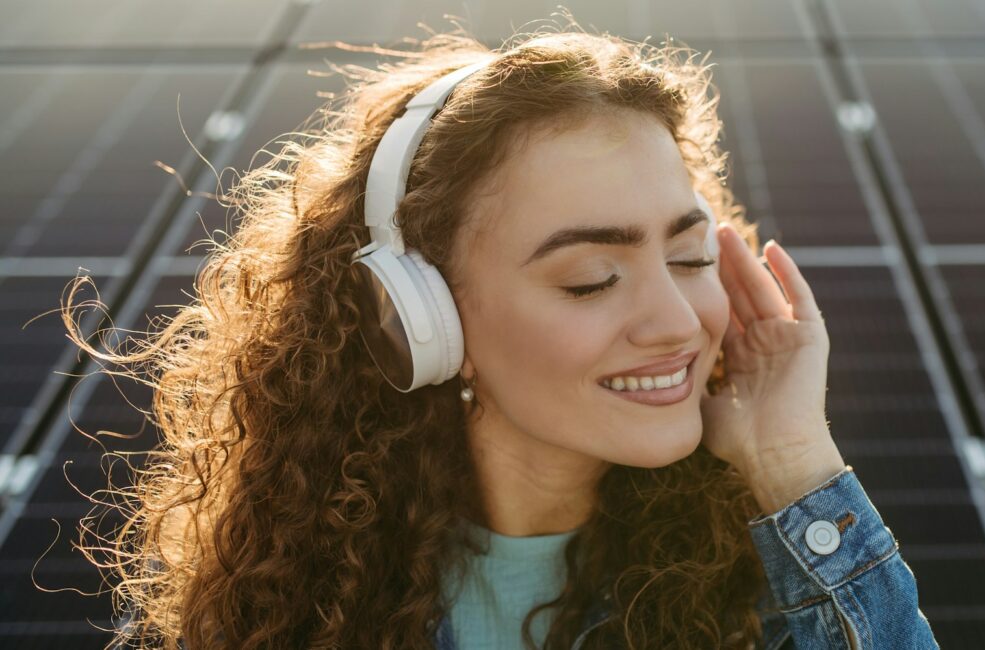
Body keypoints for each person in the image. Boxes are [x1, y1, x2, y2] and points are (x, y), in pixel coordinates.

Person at [68, 14, 940, 650]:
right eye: (590, 279)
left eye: (687, 258)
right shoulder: (286, 613)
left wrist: (795, 466)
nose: (678, 324)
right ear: (421, 318)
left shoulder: (785, 586)